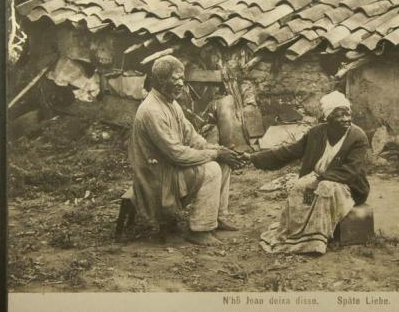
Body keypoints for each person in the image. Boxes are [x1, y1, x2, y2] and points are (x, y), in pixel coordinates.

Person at [128, 55, 244, 246]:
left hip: (170, 167)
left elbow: (191, 136)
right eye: (175, 79)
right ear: (160, 80)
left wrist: (217, 149)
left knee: (223, 162)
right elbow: (176, 154)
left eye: (182, 78)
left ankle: (217, 217)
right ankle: (199, 229)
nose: (181, 83)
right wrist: (214, 154)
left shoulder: (171, 103)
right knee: (212, 169)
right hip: (156, 177)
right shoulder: (152, 110)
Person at [243, 91, 370, 255]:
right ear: (328, 117)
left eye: (348, 113)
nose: (346, 119)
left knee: (324, 188)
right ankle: (297, 235)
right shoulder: (316, 133)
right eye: (339, 115)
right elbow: (289, 151)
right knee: (301, 188)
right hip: (317, 180)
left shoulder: (358, 137)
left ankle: (315, 241)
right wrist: (254, 158)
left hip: (348, 186)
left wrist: (321, 179)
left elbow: (352, 170)